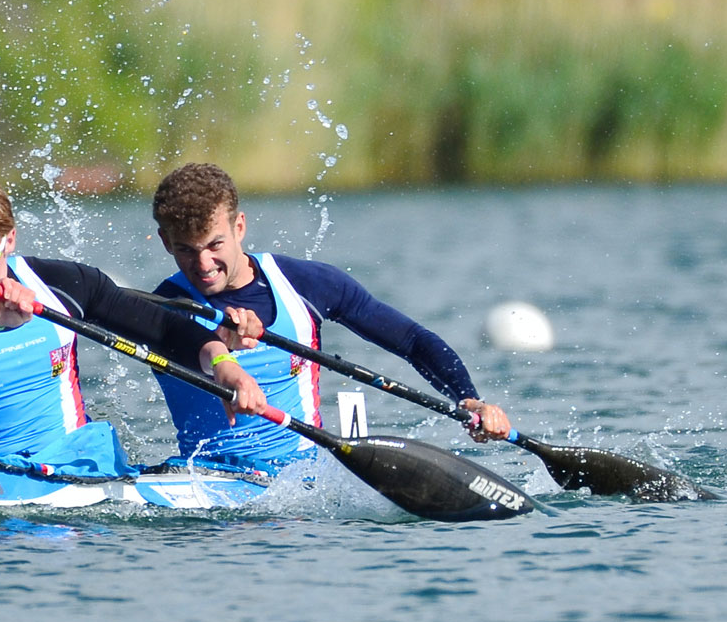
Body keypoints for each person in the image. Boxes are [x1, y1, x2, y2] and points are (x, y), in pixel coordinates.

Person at [0, 173, 266, 477]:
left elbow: (166, 330)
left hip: (73, 469)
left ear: (9, 241)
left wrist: (223, 366)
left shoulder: (64, 284)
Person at [149, 162, 512, 473]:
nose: (203, 265)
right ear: (166, 242)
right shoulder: (162, 306)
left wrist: (468, 400)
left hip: (304, 482)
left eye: (215, 245)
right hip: (206, 479)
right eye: (186, 250)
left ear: (239, 227)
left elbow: (413, 341)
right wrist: (221, 340)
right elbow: (189, 342)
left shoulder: (306, 284)